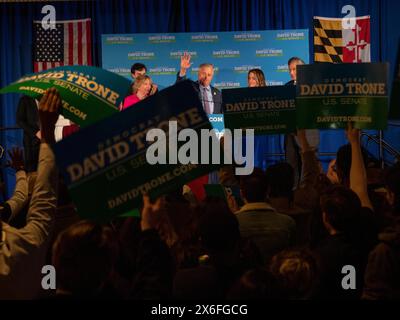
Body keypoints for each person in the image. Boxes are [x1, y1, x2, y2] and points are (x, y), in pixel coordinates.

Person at [0, 87, 59, 299]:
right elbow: (36, 205)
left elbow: (19, 199)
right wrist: (43, 134)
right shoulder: (25, 100)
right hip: (32, 148)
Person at [284, 57, 320, 188]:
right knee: (291, 163)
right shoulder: (286, 87)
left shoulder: (313, 86)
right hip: (291, 132)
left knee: (308, 162)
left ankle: (310, 191)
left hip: (308, 131)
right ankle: (294, 192)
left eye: (294, 69)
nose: (292, 73)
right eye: (290, 70)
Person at [16, 95, 40, 172]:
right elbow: (19, 121)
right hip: (31, 142)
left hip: (47, 141)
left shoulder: (46, 99)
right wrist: (36, 132)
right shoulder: (25, 100)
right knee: (32, 171)